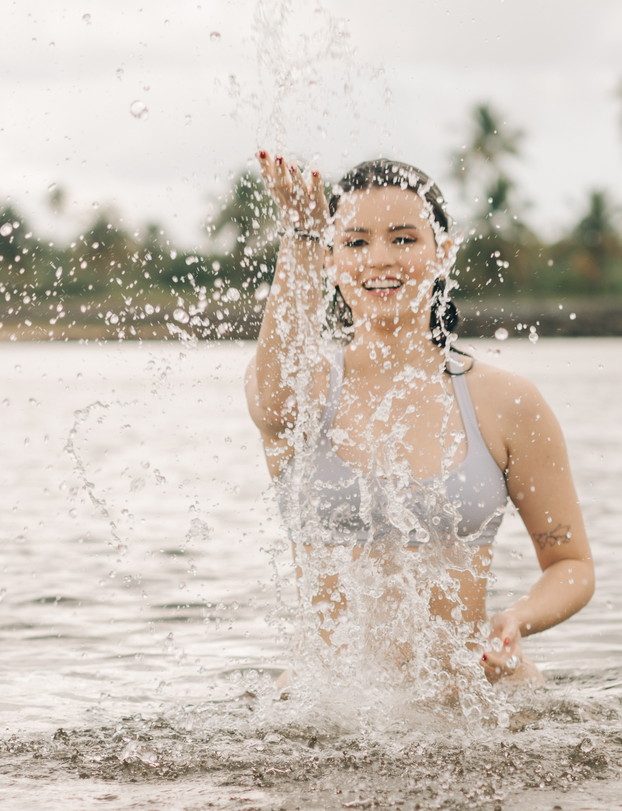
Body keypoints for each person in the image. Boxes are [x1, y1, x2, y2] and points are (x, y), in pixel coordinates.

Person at [244, 152, 594, 693]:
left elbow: (570, 564)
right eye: (356, 242)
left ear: (442, 252)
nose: (379, 259)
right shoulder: (305, 391)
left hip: (477, 699)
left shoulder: (507, 402)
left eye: (404, 239)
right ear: (330, 259)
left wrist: (515, 621)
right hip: (329, 708)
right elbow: (270, 399)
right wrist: (300, 234)